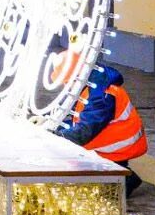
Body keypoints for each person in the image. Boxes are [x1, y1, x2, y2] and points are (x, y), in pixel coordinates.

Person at [57, 60, 148, 197]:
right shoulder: (91, 88)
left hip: (116, 148)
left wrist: (57, 136)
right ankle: (114, 175)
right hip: (108, 143)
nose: (65, 87)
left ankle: (123, 178)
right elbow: (79, 121)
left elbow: (86, 131)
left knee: (82, 181)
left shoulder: (101, 96)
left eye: (66, 82)